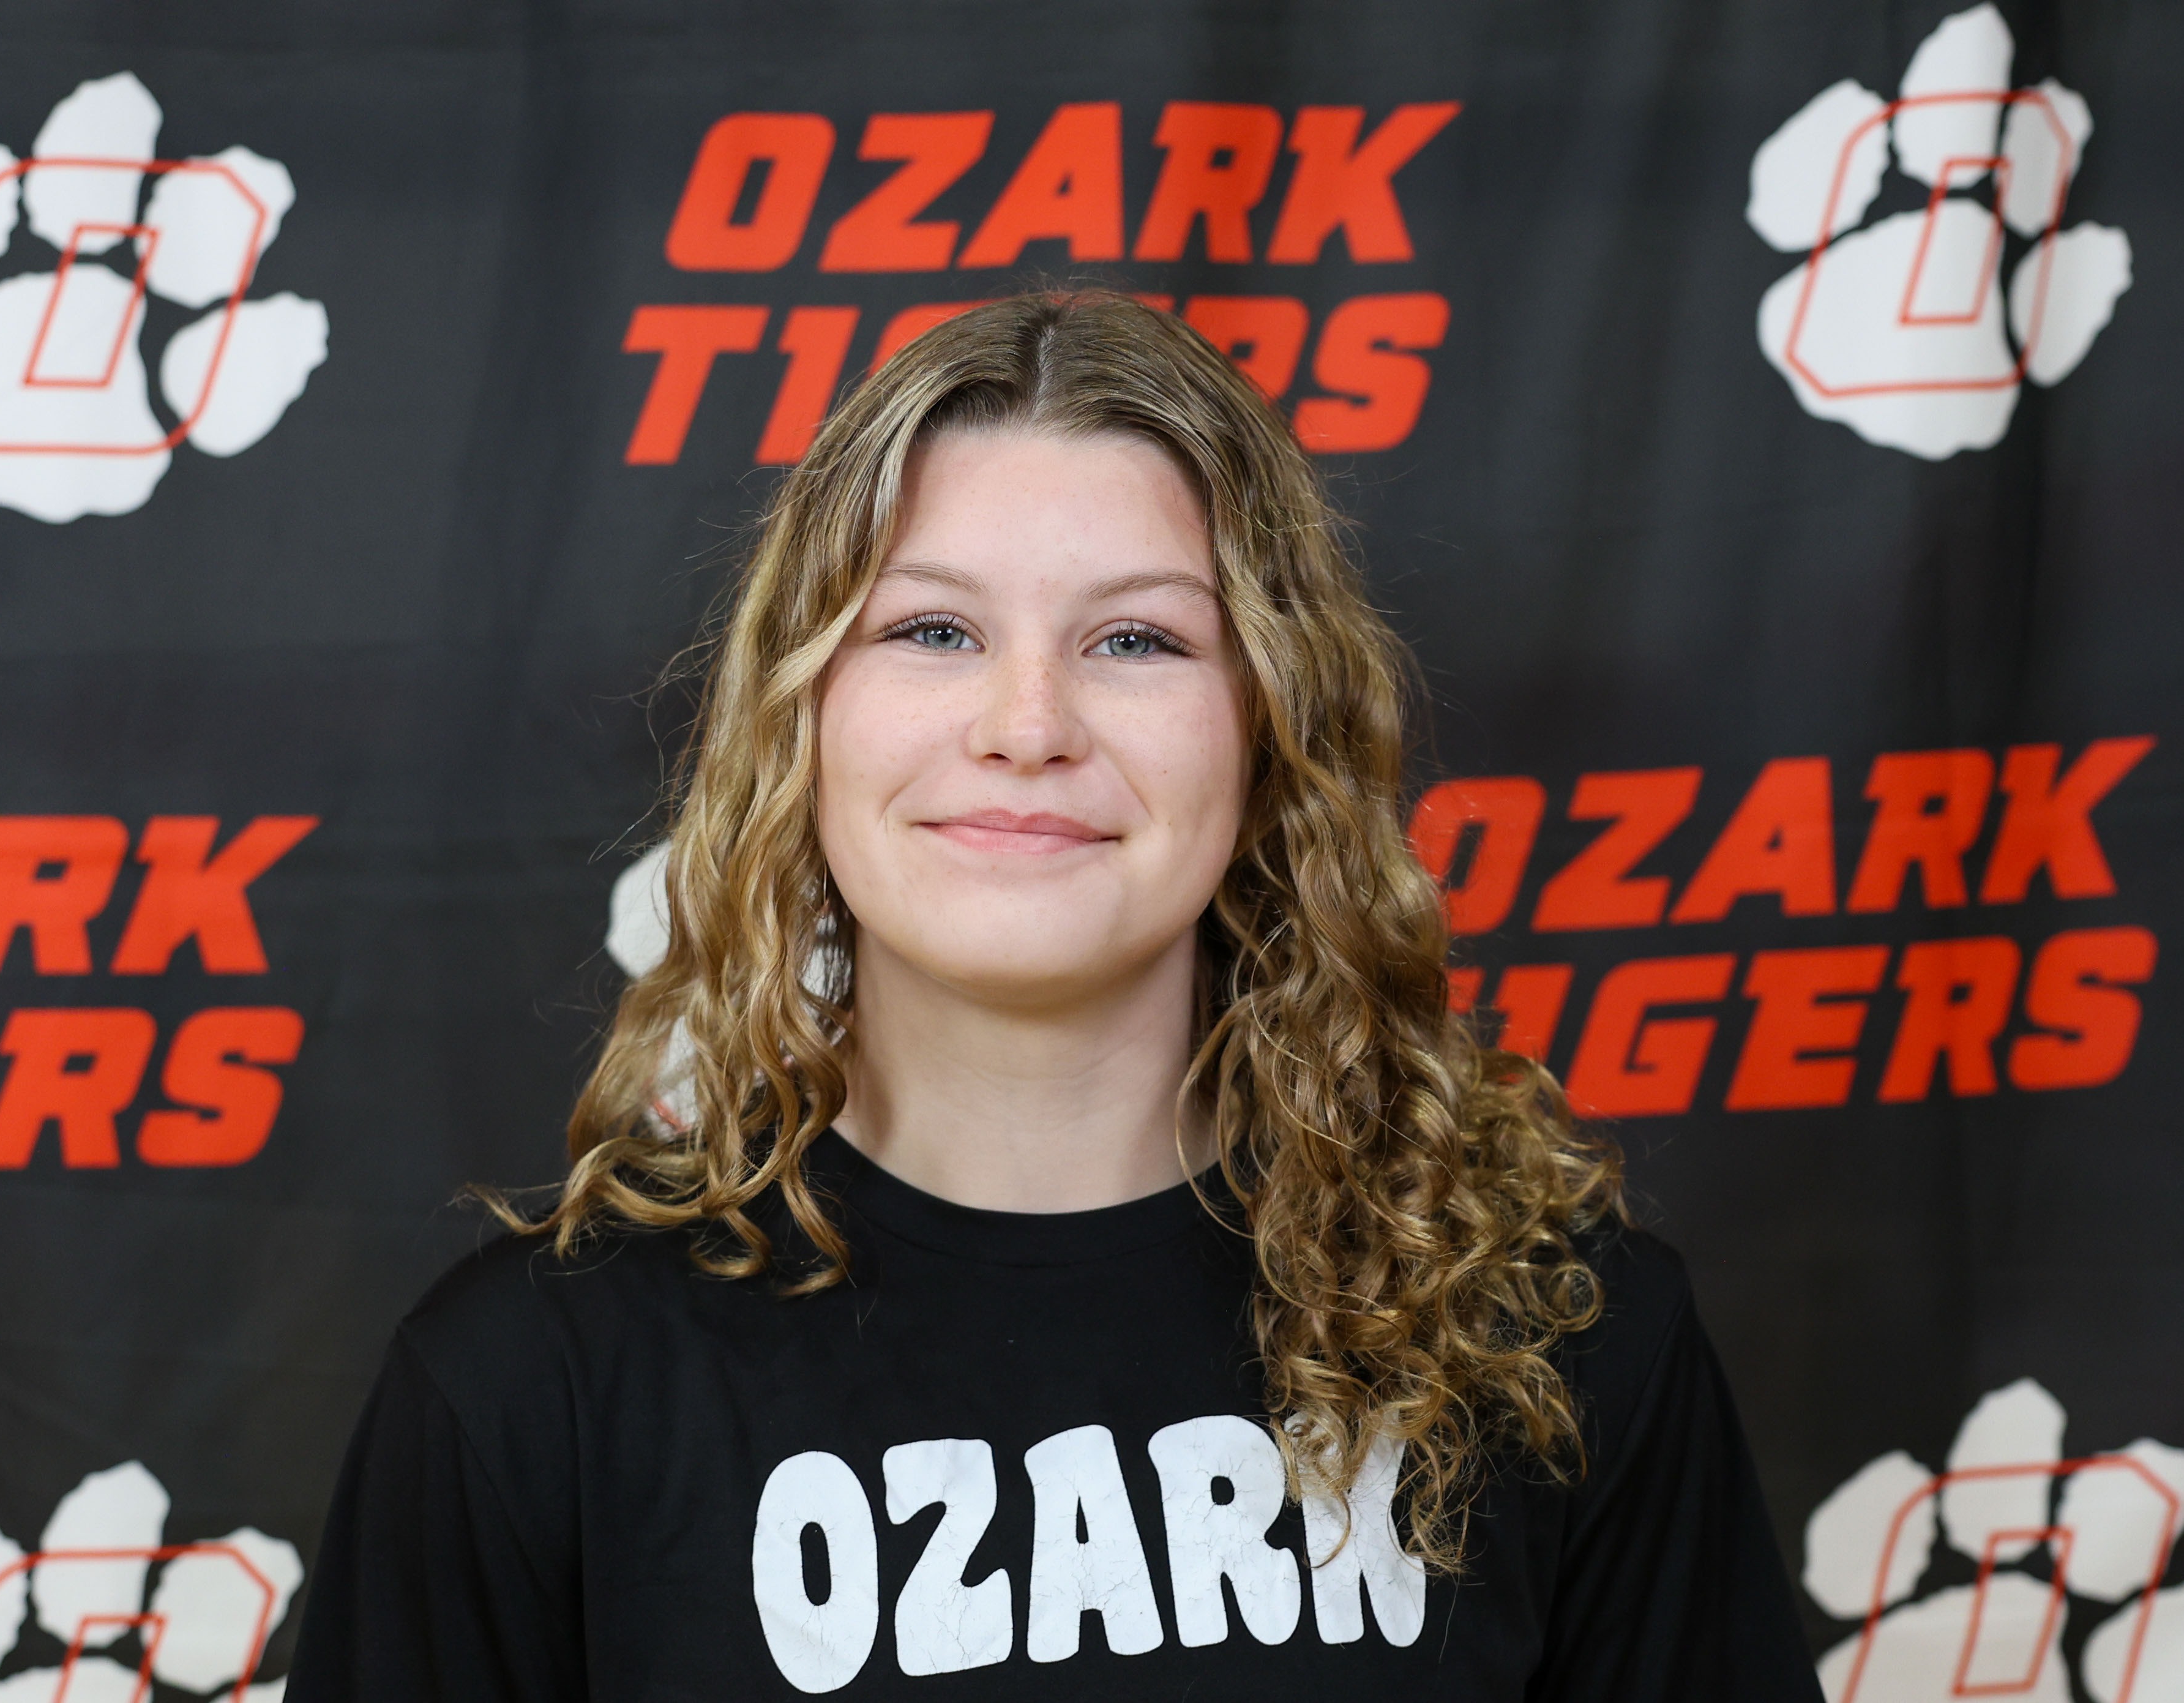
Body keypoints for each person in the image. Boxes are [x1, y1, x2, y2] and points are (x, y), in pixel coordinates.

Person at [286, 291, 1820, 1701]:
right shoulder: (529, 1387)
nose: (1029, 724)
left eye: (1136, 638)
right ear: (801, 715)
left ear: (1270, 725)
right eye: (932, 629)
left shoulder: (1550, 1337)